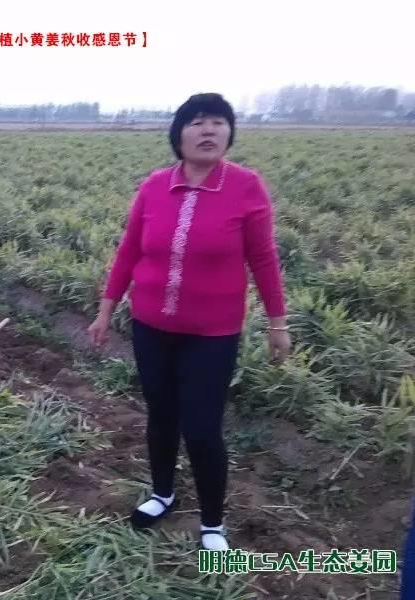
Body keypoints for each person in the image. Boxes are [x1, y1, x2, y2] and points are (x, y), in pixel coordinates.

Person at [88, 93, 291, 551]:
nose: (208, 130)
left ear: (229, 133)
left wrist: (277, 324)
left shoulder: (246, 187)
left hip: (211, 335)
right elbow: (129, 251)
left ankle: (213, 524)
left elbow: (263, 259)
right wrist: (105, 310)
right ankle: (162, 494)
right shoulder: (155, 186)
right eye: (197, 122)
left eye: (218, 122)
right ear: (178, 134)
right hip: (150, 327)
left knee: (201, 428)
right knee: (161, 416)